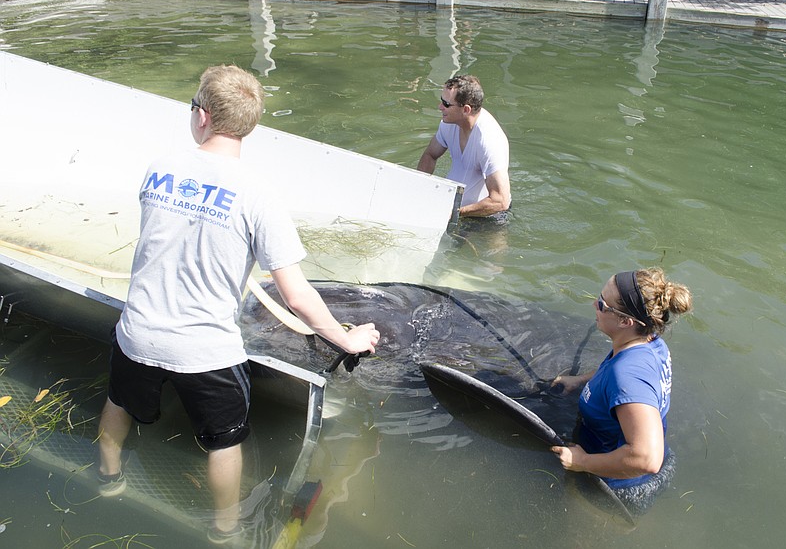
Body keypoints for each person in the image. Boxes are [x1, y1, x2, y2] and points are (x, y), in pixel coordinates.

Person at [96, 64, 380, 544]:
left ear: (202, 116)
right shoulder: (259, 194)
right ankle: (225, 528)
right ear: (249, 125)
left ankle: (107, 480)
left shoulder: (158, 168)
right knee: (224, 441)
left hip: (138, 334)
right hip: (205, 352)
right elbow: (296, 295)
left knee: (119, 400)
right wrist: (346, 337)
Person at [551, 268, 692, 515]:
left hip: (616, 486)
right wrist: (581, 380)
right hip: (630, 469)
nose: (595, 304)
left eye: (603, 305)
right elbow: (618, 369)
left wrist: (581, 462)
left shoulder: (628, 376)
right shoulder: (649, 341)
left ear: (626, 321)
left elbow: (646, 458)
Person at [417, 75, 511, 218]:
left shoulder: (489, 141)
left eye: (446, 104)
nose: (440, 107)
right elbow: (430, 155)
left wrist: (455, 213)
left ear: (466, 110)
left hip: (488, 218)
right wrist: (419, 191)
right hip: (453, 210)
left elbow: (500, 201)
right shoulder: (448, 124)